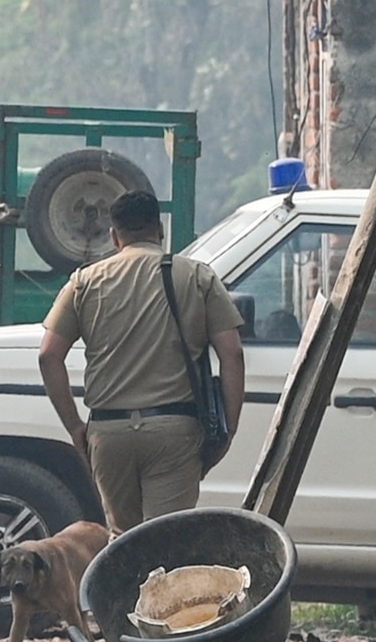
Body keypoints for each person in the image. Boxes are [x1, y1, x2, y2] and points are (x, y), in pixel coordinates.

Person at [37, 186, 246, 533]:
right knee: (164, 542)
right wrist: (228, 429)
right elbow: (232, 354)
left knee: (123, 546)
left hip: (109, 434)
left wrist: (76, 427)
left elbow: (48, 356)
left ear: (114, 236)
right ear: (160, 230)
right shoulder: (196, 276)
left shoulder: (84, 282)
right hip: (173, 431)